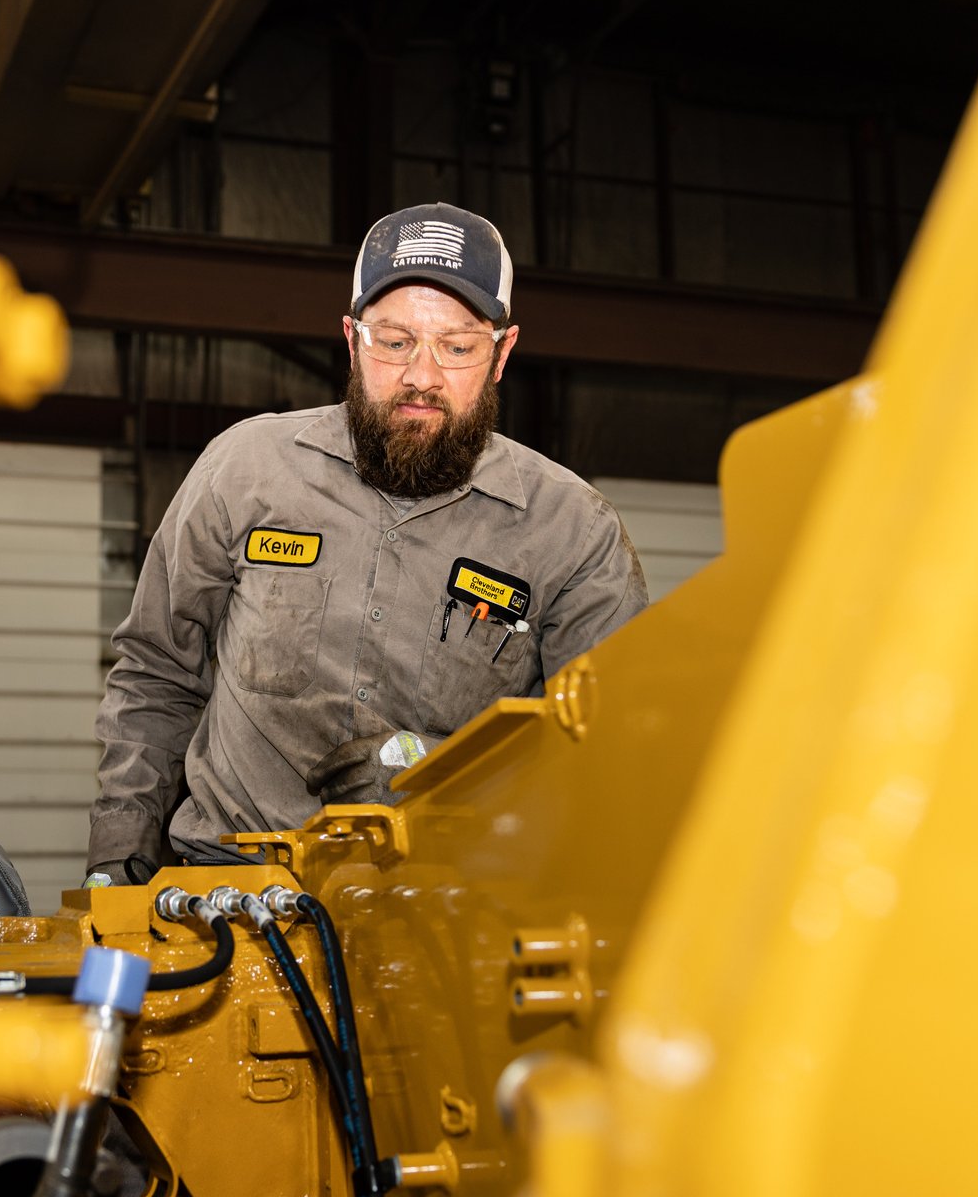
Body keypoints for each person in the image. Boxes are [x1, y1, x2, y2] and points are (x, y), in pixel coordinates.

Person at [86, 203, 648, 882]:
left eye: (458, 347)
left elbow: (607, 751)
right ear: (352, 341)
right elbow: (154, 676)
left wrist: (439, 770)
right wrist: (116, 867)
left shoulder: (572, 531)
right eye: (395, 340)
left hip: (446, 916)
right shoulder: (245, 468)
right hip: (228, 902)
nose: (422, 375)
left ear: (502, 354)